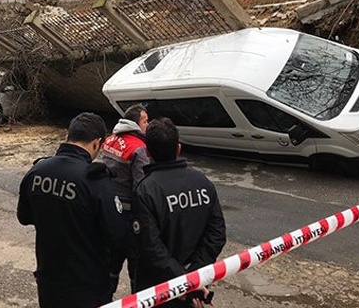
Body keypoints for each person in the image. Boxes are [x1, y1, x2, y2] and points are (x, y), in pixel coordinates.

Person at [17, 112, 127, 308]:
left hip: (49, 277)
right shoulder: (96, 181)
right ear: (96, 143)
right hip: (86, 284)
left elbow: (24, 217)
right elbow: (117, 236)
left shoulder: (38, 171)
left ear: (68, 135)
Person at [132, 117, 226, 308]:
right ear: (178, 148)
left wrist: (182, 282)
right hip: (195, 286)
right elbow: (217, 234)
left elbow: (151, 248)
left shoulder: (146, 190)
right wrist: (194, 277)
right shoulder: (202, 182)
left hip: (159, 289)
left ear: (147, 152)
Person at [97, 103, 150, 295]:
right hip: (130, 217)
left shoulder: (110, 139)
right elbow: (141, 187)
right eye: (145, 121)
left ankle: (104, 298)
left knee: (110, 267)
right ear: (135, 123)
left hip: (110, 209)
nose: (148, 125)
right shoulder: (139, 148)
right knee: (136, 269)